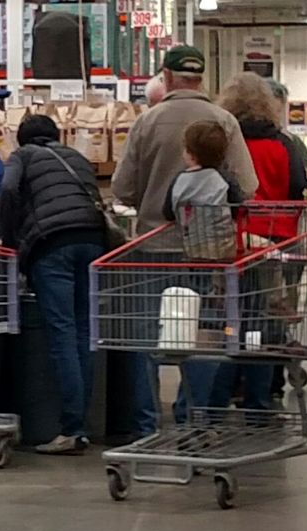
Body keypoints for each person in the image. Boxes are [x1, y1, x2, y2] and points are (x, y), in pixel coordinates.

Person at [111, 44, 258, 436]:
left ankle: (145, 427)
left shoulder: (147, 121)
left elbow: (122, 189)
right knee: (204, 334)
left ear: (166, 76)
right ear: (201, 77)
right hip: (207, 252)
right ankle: (192, 419)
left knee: (147, 335)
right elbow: (248, 186)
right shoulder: (224, 121)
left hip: (153, 247)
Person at [0, 115, 108, 455]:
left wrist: (9, 240)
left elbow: (7, 189)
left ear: (23, 139)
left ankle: (71, 429)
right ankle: (82, 426)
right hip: (92, 242)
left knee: (62, 334)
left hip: (52, 245)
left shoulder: (23, 156)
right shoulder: (78, 157)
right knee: (83, 333)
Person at [214, 72, 307, 410]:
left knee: (232, 316)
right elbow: (298, 187)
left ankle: (226, 389)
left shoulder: (225, 141)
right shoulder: (283, 143)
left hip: (236, 239)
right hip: (277, 238)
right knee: (267, 318)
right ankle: (263, 393)